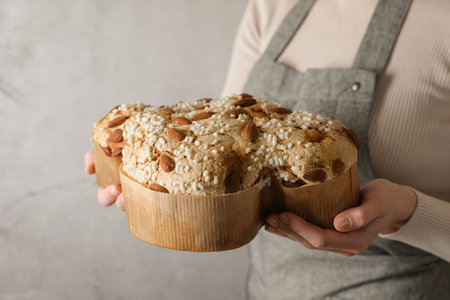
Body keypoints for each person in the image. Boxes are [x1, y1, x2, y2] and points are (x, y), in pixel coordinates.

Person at [85, 0, 450, 298]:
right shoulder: (273, 6)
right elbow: (222, 132)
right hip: (267, 288)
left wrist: (406, 212)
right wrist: (145, 181)